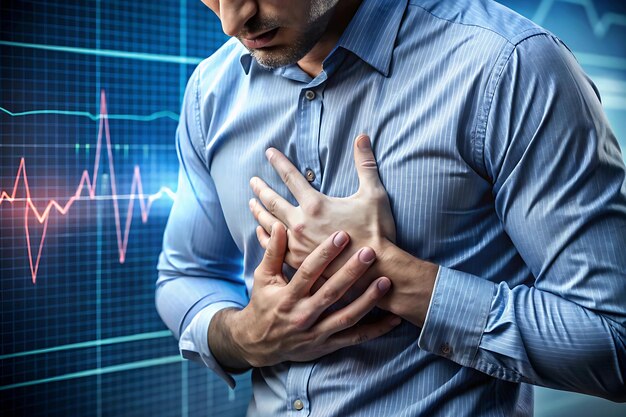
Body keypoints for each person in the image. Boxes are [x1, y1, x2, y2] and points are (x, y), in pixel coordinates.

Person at [156, 0, 626, 415]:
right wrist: (245, 335)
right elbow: (185, 275)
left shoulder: (510, 68)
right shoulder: (209, 91)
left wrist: (385, 273)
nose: (231, 20)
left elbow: (614, 341)